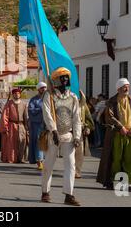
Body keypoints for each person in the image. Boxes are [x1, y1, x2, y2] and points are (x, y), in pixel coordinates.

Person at [41, 67, 82, 206]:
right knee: (48, 165)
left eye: (66, 77)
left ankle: (69, 195)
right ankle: (45, 192)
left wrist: (77, 136)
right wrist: (53, 131)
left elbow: (77, 118)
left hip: (68, 135)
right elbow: (47, 114)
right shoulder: (49, 96)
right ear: (56, 80)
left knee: (71, 165)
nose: (65, 80)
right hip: (53, 135)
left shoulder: (73, 97)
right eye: (62, 77)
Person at [96, 78, 131, 192]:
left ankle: (127, 183)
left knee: (130, 160)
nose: (127, 89)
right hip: (115, 135)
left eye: (128, 87)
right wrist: (121, 127)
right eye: (124, 87)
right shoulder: (111, 101)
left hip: (129, 135)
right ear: (119, 88)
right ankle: (110, 181)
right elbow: (110, 117)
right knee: (115, 159)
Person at [0, 88, 29, 164]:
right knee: (11, 143)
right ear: (13, 95)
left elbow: (26, 116)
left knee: (22, 141)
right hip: (11, 125)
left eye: (18, 93)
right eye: (15, 94)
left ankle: (21, 159)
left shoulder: (24, 104)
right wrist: (5, 127)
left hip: (21, 125)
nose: (17, 95)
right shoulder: (9, 103)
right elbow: (5, 116)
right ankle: (12, 159)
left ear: (20, 94)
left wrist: (27, 127)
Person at [75, 91, 94, 178]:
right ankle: (71, 170)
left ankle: (77, 171)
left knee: (80, 152)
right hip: (69, 132)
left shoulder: (83, 106)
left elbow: (88, 118)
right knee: (70, 153)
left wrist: (88, 127)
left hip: (80, 133)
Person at [28, 82, 47, 170]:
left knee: (47, 143)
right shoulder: (34, 100)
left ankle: (45, 161)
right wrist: (41, 108)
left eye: (45, 88)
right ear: (38, 89)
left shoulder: (49, 99)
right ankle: (39, 161)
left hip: (47, 124)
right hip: (37, 124)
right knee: (39, 142)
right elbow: (31, 110)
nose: (44, 89)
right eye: (42, 88)